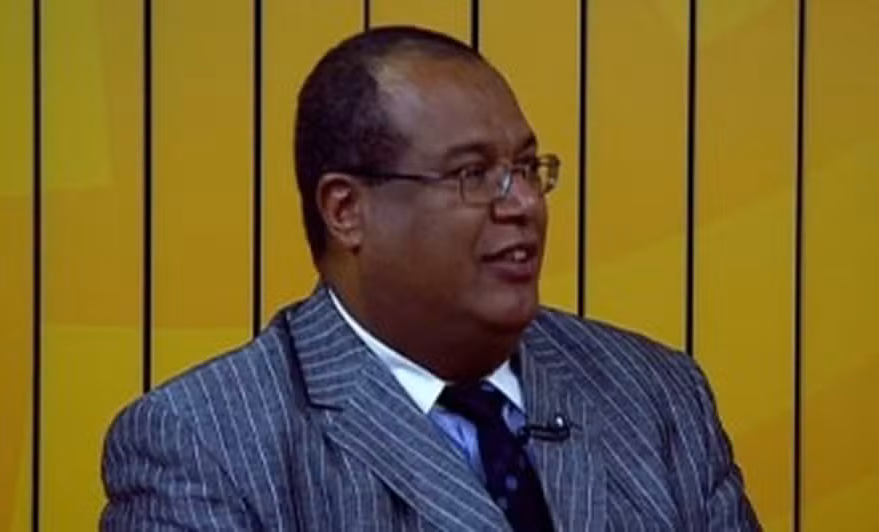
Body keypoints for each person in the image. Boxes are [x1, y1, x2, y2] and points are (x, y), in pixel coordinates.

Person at [101, 26, 760, 531]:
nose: (523, 204)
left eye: (528, 168)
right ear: (347, 210)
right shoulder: (203, 443)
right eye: (473, 174)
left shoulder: (656, 395)